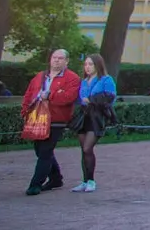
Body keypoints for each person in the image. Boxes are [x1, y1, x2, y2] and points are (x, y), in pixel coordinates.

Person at [22, 48, 80, 195]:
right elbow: (29, 95)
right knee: (40, 150)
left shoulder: (72, 78)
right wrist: (25, 112)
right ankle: (56, 178)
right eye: (54, 57)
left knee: (45, 151)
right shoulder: (40, 77)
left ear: (66, 61)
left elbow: (68, 98)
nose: (56, 60)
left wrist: (50, 95)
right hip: (38, 119)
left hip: (56, 120)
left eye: (60, 58)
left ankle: (35, 184)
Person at [72, 53, 116, 193]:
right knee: (83, 150)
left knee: (87, 148)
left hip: (96, 117)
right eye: (86, 64)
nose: (87, 67)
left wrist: (92, 99)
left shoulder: (105, 80)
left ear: (98, 65)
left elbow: (110, 97)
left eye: (90, 64)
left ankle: (91, 180)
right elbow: (78, 98)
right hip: (84, 116)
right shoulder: (84, 81)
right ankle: (85, 181)